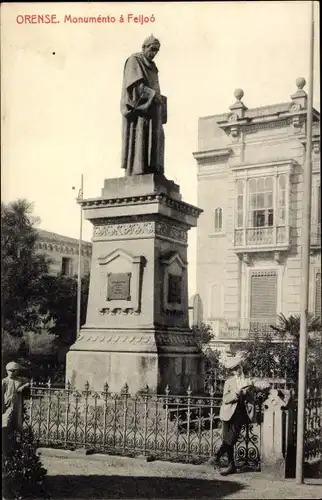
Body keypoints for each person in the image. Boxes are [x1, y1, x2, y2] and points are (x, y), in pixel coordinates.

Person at [214, 353, 270, 476]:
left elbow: (265, 385)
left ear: (241, 367)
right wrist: (236, 394)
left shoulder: (248, 380)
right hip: (228, 412)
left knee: (231, 438)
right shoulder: (229, 382)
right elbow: (225, 399)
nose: (236, 371)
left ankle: (216, 456)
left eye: (237, 368)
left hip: (241, 414)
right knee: (228, 440)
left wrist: (256, 385)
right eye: (233, 370)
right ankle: (231, 466)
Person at [120, 35, 167, 176]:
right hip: (140, 111)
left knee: (156, 139)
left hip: (153, 110)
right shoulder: (134, 61)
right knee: (140, 138)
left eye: (156, 51)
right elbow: (135, 87)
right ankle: (138, 170)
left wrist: (160, 99)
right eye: (152, 49)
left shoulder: (153, 67)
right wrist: (153, 96)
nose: (154, 54)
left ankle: (153, 170)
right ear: (144, 47)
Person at [2, 362, 30, 455]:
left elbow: (28, 382)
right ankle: (6, 445)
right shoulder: (4, 381)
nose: (12, 372)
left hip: (18, 405)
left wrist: (23, 387)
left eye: (14, 371)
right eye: (10, 370)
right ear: (6, 371)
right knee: (6, 423)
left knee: (17, 424)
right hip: (7, 405)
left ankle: (17, 445)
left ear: (17, 371)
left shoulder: (20, 380)